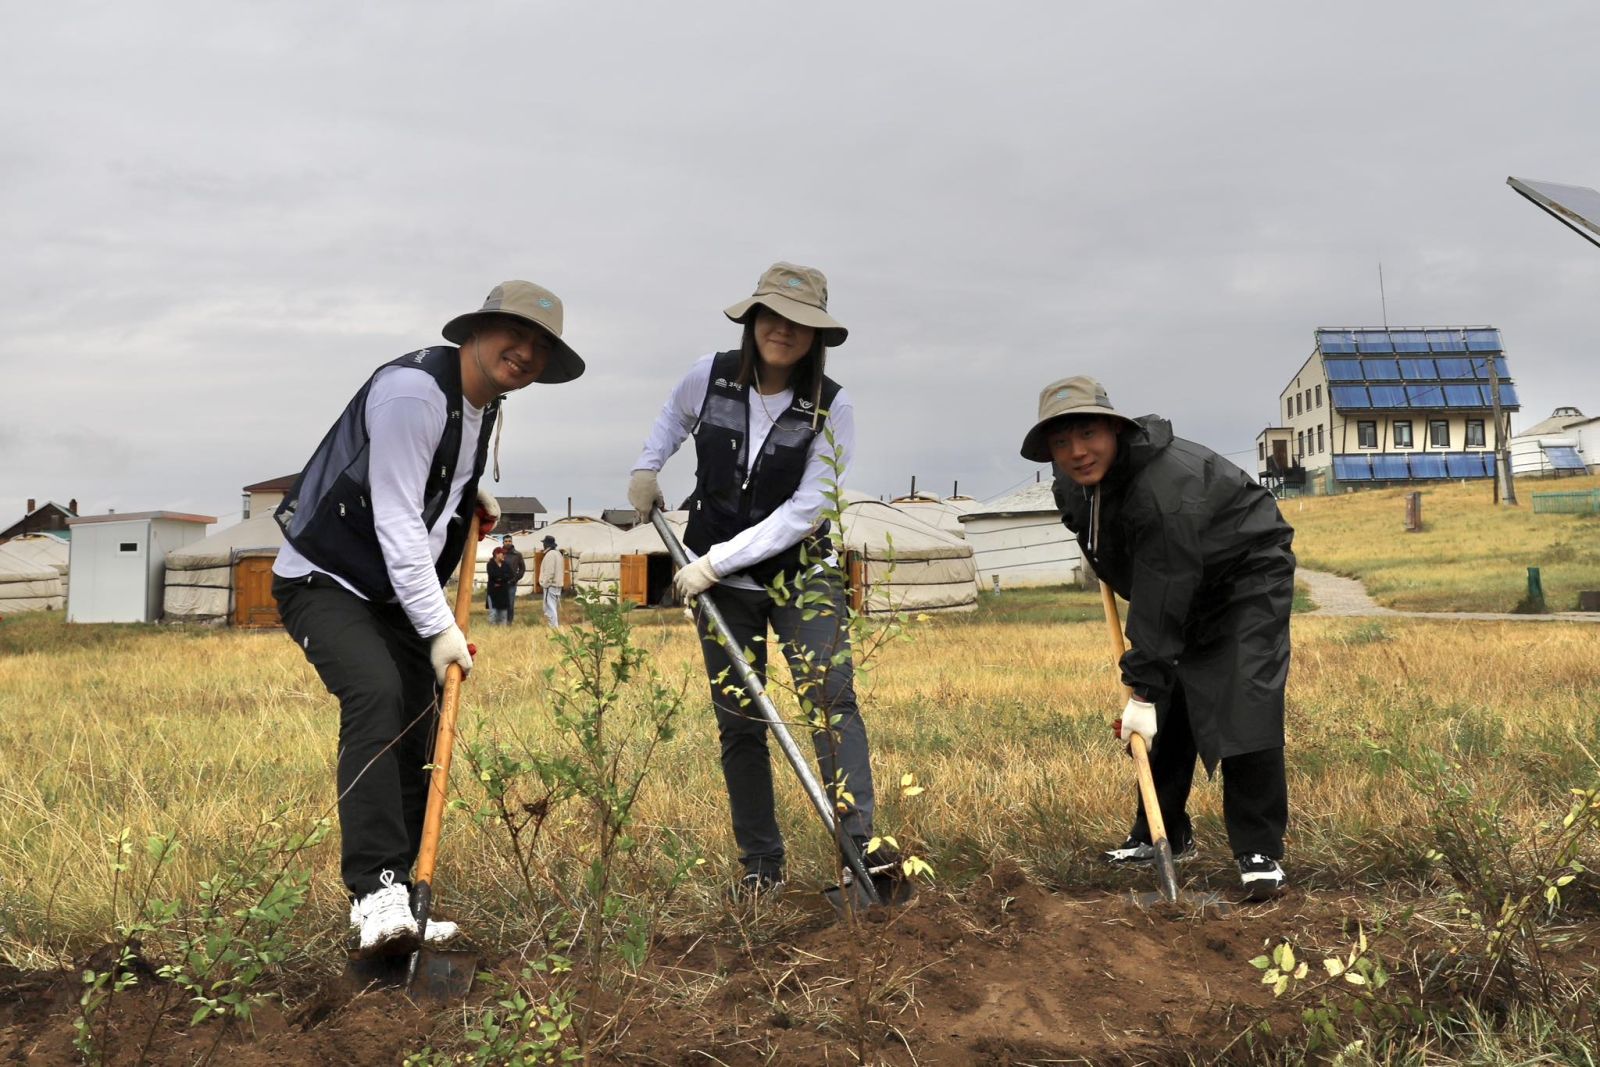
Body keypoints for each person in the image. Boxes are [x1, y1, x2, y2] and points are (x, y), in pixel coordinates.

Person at [272, 280, 585, 955]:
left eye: (541, 346)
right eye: (515, 334)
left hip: (388, 592)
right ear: (475, 330)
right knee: (376, 695)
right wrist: (441, 628)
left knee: (419, 720)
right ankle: (375, 891)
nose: (526, 352)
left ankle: (407, 903)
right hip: (324, 578)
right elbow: (395, 518)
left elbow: (427, 482)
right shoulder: (415, 392)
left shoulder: (484, 402)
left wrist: (466, 493)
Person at [627, 261, 895, 900]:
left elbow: (806, 510)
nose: (784, 330)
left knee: (831, 704)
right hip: (720, 588)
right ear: (753, 319)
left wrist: (715, 563)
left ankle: (862, 856)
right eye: (772, 315)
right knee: (739, 720)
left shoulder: (834, 407)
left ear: (817, 337)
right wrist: (647, 467)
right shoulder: (709, 376)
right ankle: (761, 867)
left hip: (800, 577)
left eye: (801, 322)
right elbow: (671, 415)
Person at [1019, 376, 1294, 901]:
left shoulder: (1165, 488)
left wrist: (1142, 690)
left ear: (1115, 431)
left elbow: (1166, 589)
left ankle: (1259, 850)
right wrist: (1153, 685)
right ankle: (1162, 832)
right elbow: (1114, 549)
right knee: (1168, 704)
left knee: (1242, 697)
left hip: (1243, 579)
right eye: (1060, 443)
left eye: (1087, 433)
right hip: (1176, 574)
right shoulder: (1073, 484)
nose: (1076, 452)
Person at [538, 534, 564, 627]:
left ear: (546, 544)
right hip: (557, 585)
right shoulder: (558, 554)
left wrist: (545, 584)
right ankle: (554, 626)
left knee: (550, 608)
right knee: (553, 607)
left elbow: (550, 572)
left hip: (551, 585)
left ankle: (553, 627)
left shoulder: (550, 555)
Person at [486, 545, 514, 624]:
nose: (504, 556)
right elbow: (493, 575)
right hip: (493, 592)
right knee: (493, 613)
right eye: (502, 554)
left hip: (503, 592)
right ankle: (492, 633)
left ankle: (502, 632)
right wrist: (503, 577)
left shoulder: (506, 565)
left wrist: (500, 579)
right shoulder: (490, 564)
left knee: (503, 614)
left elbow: (511, 575)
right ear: (496, 554)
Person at [501, 535, 527, 622]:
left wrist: (516, 579)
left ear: (512, 542)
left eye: (509, 541)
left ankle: (509, 622)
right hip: (501, 583)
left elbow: (522, 568)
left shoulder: (517, 554)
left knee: (510, 604)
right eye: (506, 541)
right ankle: (501, 622)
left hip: (512, 583)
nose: (508, 543)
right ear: (503, 542)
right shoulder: (499, 553)